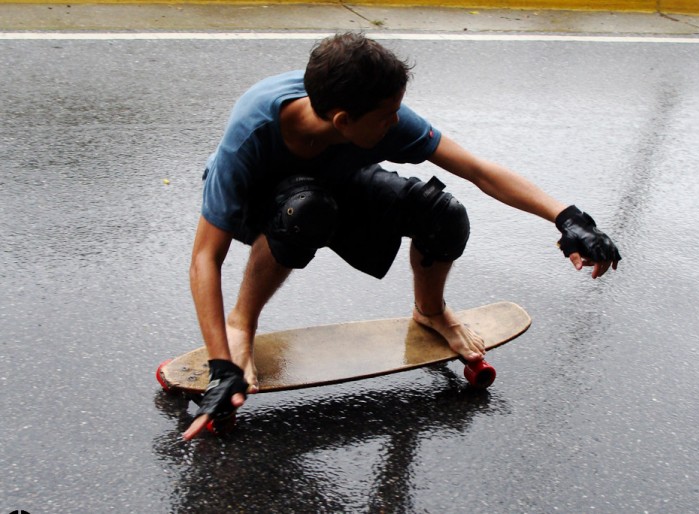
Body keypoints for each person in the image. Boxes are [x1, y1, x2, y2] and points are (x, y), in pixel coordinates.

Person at [182, 32, 620, 440]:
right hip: (264, 203)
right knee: (306, 209)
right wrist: (222, 365)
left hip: (336, 177)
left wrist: (566, 217)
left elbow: (478, 171)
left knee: (442, 213)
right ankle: (244, 322)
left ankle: (429, 311)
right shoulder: (252, 133)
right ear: (342, 119)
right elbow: (205, 257)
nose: (397, 123)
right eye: (387, 117)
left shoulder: (374, 114)